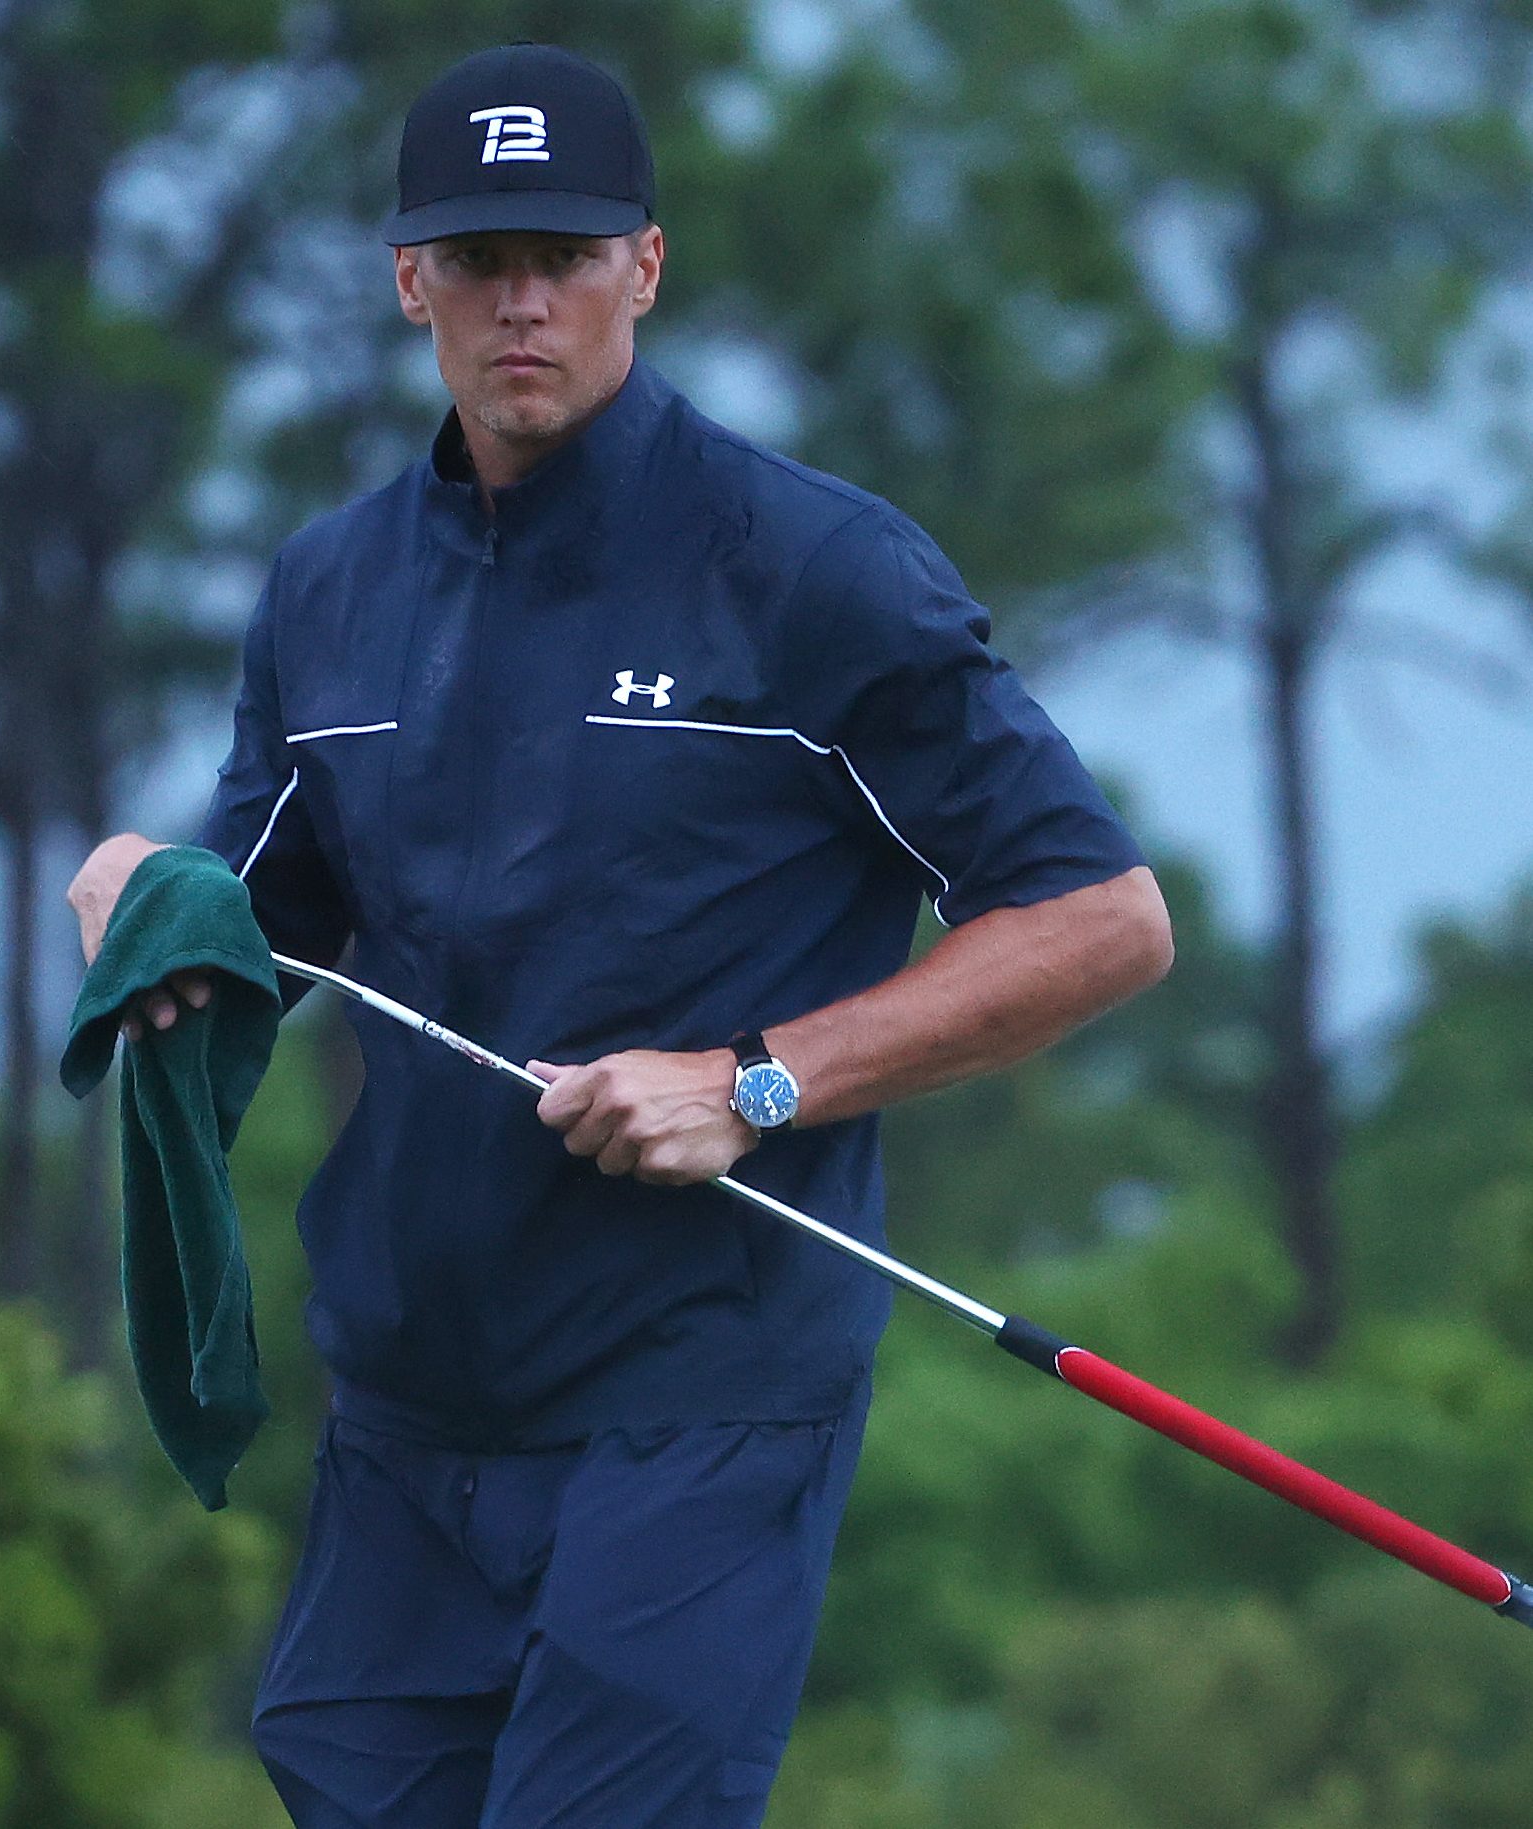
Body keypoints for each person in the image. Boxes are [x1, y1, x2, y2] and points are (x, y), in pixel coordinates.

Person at [66, 40, 1174, 1829]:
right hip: (415, 1392)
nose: (525, 301)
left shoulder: (813, 568)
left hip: (703, 1390)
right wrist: (147, 902)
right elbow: (261, 920)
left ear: (642, 268)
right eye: (483, 255)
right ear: (407, 275)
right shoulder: (329, 590)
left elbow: (1101, 918)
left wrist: (761, 1079)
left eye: (566, 256)